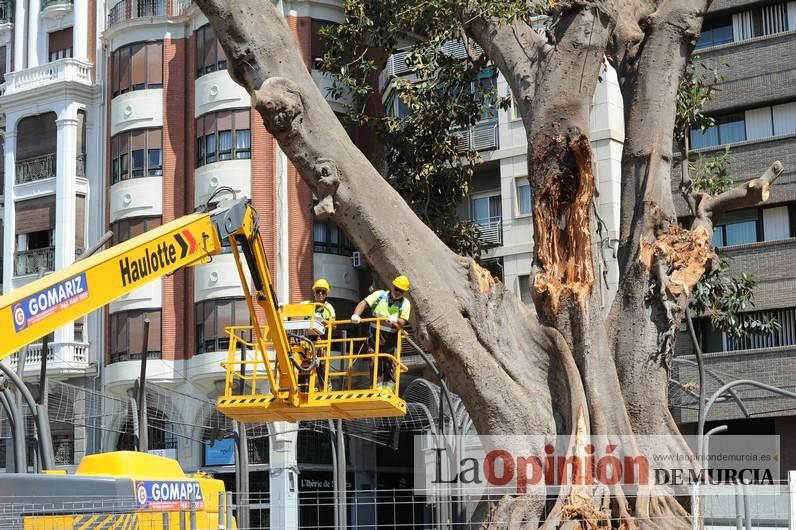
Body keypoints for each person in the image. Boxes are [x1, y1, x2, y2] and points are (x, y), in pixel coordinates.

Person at [350, 275, 411, 391]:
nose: (398, 292)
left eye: (401, 291)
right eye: (396, 289)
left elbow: (403, 321)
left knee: (390, 363)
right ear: (392, 287)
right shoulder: (380, 295)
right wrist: (356, 314)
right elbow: (364, 303)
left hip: (392, 339)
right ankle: (376, 389)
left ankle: (388, 391)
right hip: (374, 336)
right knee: (374, 361)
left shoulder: (405, 303)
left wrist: (396, 320)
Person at [300, 279, 336, 390]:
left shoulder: (328, 308)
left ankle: (326, 387)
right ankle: (302, 387)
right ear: (314, 292)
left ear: (326, 294)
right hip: (305, 339)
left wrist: (322, 321)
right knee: (302, 363)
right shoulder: (306, 305)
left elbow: (334, 325)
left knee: (322, 363)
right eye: (318, 291)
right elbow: (293, 312)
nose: (320, 294)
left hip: (321, 340)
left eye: (323, 292)